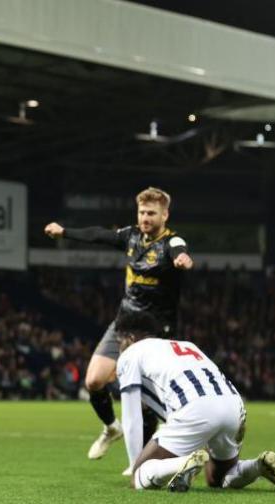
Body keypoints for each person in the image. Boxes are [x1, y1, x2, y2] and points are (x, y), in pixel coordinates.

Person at [44, 187, 193, 467]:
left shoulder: (172, 242)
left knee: (145, 400)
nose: (145, 218)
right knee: (94, 381)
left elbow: (180, 249)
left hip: (155, 331)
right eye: (142, 212)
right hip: (124, 322)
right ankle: (112, 428)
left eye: (151, 213)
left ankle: (144, 461)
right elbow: (99, 235)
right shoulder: (132, 236)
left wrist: (183, 259)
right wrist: (64, 232)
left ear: (165, 214)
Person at [113, 311, 275, 492]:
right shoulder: (186, 345)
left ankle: (183, 462)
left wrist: (135, 466)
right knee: (218, 478)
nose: (118, 348)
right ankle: (259, 466)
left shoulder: (129, 354)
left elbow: (132, 417)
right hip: (234, 406)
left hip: (195, 408)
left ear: (130, 337)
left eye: (118, 342)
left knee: (140, 474)